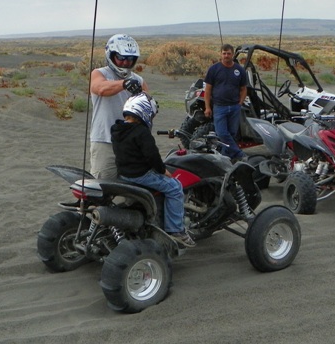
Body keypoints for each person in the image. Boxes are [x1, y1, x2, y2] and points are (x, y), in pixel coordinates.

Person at [110, 93, 196, 248]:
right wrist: (163, 171)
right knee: (175, 187)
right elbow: (152, 156)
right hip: (140, 175)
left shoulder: (116, 129)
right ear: (145, 112)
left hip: (124, 175)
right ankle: (176, 230)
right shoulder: (141, 132)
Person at [89, 34, 148, 179]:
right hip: (105, 140)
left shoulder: (138, 80)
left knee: (131, 190)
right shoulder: (100, 73)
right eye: (121, 58)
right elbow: (100, 88)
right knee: (102, 186)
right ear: (111, 55)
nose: (125, 63)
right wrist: (124, 84)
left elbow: (148, 107)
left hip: (130, 144)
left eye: (130, 59)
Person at [203, 43, 247, 161]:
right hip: (219, 107)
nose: (226, 56)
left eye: (228, 53)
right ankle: (239, 154)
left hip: (234, 107)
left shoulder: (239, 70)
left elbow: (243, 89)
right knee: (222, 133)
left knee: (232, 134)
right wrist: (207, 107)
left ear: (232, 54)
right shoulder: (214, 69)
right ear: (221, 54)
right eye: (224, 53)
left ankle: (225, 158)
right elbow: (207, 90)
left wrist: (240, 103)